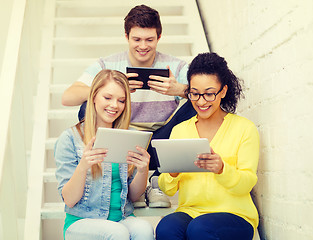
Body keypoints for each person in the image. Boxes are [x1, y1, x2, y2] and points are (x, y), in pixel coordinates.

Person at [61, 4, 196, 208]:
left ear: (159, 37)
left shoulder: (176, 66)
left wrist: (180, 90)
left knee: (196, 103)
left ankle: (156, 180)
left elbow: (209, 94)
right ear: (127, 37)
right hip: (121, 140)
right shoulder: (108, 65)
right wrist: (115, 87)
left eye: (149, 39)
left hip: (160, 140)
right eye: (137, 39)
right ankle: (122, 180)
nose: (143, 46)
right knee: (88, 104)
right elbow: (67, 97)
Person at [156, 52, 259, 240]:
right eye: (194, 94)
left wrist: (221, 169)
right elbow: (167, 189)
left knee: (200, 229)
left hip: (236, 216)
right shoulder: (180, 131)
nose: (201, 102)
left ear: (224, 91)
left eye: (209, 94)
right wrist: (172, 173)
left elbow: (247, 183)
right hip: (191, 212)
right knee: (166, 227)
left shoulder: (244, 128)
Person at [54, 69, 154, 240]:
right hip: (82, 221)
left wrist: (143, 170)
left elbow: (133, 196)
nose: (114, 105)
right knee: (117, 233)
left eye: (121, 100)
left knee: (144, 229)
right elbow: (69, 200)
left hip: (121, 218)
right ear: (93, 97)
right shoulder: (70, 138)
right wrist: (83, 166)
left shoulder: (129, 135)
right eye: (107, 98)